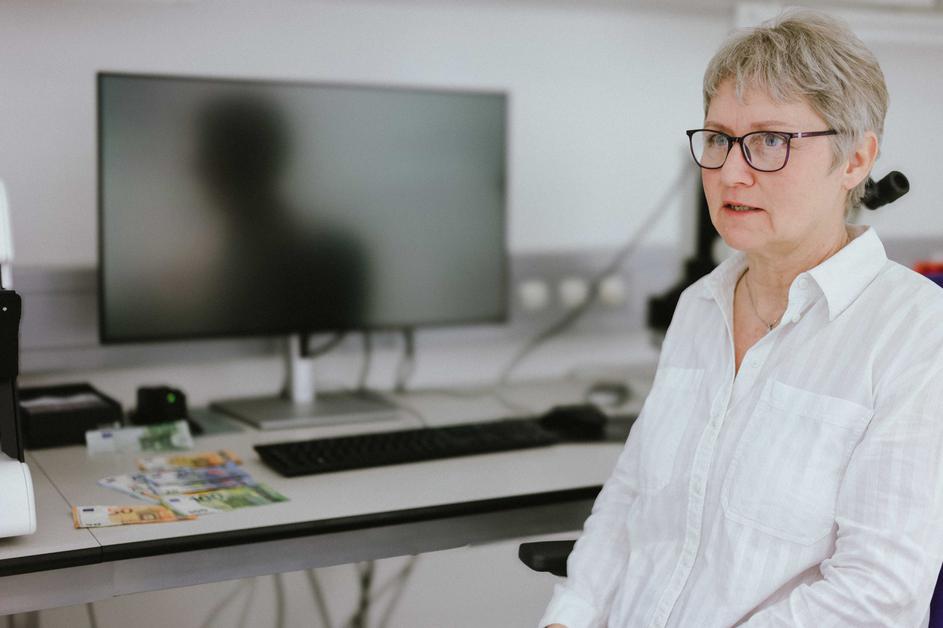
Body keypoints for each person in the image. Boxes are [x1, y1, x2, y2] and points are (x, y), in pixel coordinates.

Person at [540, 9, 943, 628]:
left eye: (771, 141)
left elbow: (877, 594)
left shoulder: (915, 332)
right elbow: (628, 505)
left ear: (856, 160)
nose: (730, 171)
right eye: (719, 139)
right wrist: (569, 616)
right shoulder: (700, 305)